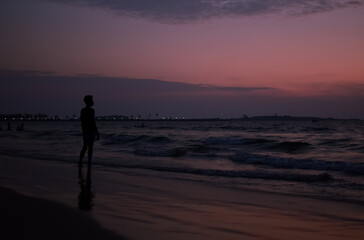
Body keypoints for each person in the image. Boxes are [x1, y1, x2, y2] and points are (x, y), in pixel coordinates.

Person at [79, 95, 99, 170]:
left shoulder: (90, 110)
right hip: (88, 131)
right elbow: (84, 122)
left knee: (89, 147)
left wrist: (96, 132)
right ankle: (82, 161)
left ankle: (87, 162)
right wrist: (85, 131)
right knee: (86, 147)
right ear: (88, 102)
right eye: (91, 100)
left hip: (90, 131)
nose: (93, 101)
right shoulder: (85, 110)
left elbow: (93, 122)